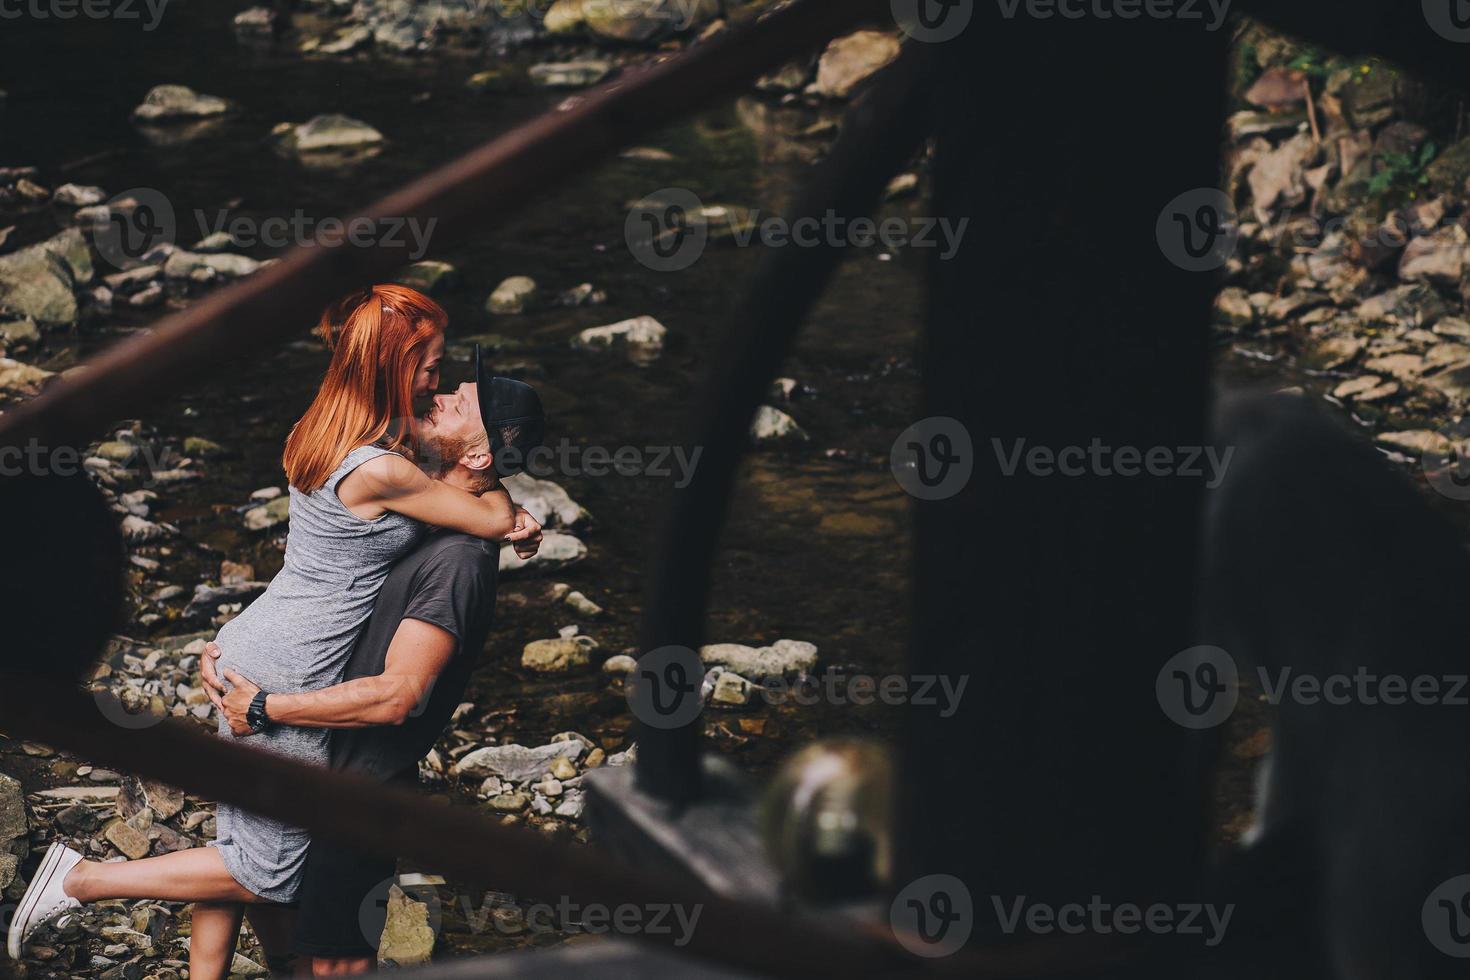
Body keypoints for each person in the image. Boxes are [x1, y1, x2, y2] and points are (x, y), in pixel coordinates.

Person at [7, 288, 543, 980]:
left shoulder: (336, 428)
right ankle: (81, 880)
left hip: (257, 635)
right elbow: (491, 513)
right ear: (394, 368)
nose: (438, 384)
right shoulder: (387, 465)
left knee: (241, 841)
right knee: (264, 874)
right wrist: (519, 512)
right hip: (293, 668)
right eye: (431, 368)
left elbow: (467, 476)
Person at [198, 370, 539, 975]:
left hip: (361, 785)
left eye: (457, 403)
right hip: (324, 755)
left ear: (481, 451)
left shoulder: (459, 563)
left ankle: (82, 881)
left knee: (329, 956)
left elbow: (397, 698)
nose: (436, 398)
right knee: (254, 888)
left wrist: (263, 706)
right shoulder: (431, 509)